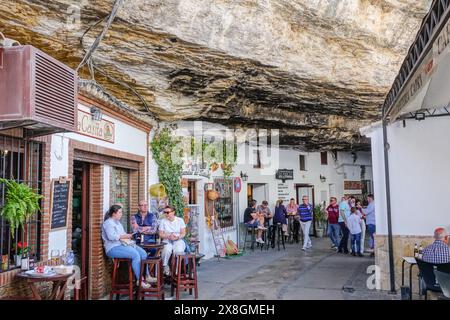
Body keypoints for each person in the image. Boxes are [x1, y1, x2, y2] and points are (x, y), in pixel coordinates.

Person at [102, 205, 152, 288]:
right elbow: (111, 237)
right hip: (113, 248)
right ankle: (140, 280)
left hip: (123, 244)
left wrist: (129, 236)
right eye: (120, 212)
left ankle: (147, 275)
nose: (121, 214)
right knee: (135, 254)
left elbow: (122, 234)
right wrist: (124, 236)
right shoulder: (108, 223)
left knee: (143, 253)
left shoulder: (118, 223)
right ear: (114, 213)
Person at [159, 205, 187, 276]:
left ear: (173, 212)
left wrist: (177, 238)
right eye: (165, 212)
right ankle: (165, 266)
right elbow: (161, 234)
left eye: (167, 212)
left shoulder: (180, 220)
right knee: (166, 249)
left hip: (178, 239)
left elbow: (183, 233)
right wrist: (168, 236)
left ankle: (177, 270)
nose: (166, 214)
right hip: (167, 240)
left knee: (178, 250)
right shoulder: (163, 221)